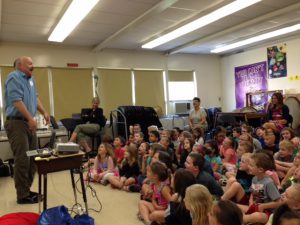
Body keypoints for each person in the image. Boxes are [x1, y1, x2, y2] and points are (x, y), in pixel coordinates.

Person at [4, 56, 50, 204]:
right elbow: (17, 101)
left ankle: (26, 190)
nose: (33, 65)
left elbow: (35, 98)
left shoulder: (31, 80)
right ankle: (22, 195)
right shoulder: (14, 77)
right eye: (29, 63)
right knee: (23, 159)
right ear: (19, 66)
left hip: (29, 124)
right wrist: (31, 119)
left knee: (34, 157)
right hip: (17, 124)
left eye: (32, 62)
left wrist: (44, 112)